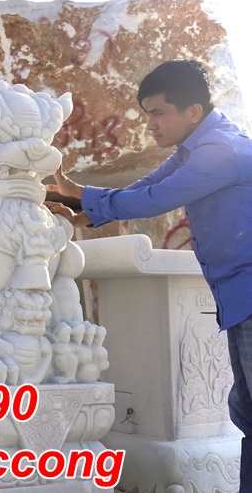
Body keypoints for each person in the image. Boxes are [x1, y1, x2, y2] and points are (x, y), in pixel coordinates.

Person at [45, 59, 252, 488]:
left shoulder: (222, 152)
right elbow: (144, 188)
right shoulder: (195, 148)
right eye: (147, 114)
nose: (151, 124)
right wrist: (84, 209)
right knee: (247, 411)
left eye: (159, 113)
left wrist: (79, 193)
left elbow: (157, 199)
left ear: (192, 111)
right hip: (239, 300)